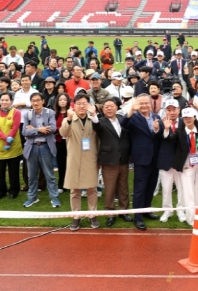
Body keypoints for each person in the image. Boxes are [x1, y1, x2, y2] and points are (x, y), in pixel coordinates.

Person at [60, 92, 101, 231]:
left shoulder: (93, 119)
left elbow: (100, 135)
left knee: (92, 189)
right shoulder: (69, 119)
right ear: (74, 105)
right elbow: (63, 133)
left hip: (90, 158)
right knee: (74, 190)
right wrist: (69, 119)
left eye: (84, 103)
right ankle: (76, 216)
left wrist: (94, 115)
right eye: (79, 104)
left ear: (89, 105)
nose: (82, 106)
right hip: (74, 158)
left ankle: (92, 214)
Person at [122, 93, 162, 231]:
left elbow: (159, 135)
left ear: (150, 104)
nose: (144, 105)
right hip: (141, 158)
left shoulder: (156, 117)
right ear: (137, 104)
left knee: (151, 187)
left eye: (146, 103)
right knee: (140, 189)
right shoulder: (133, 117)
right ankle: (138, 217)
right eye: (141, 103)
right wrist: (131, 110)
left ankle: (146, 210)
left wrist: (157, 129)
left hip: (155, 158)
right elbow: (123, 124)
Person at [93, 98, 132, 227]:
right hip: (109, 160)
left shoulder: (122, 119)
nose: (109, 108)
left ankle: (124, 211)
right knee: (110, 188)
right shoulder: (100, 121)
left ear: (116, 107)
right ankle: (110, 213)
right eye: (106, 107)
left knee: (123, 187)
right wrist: (93, 115)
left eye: (112, 106)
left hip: (123, 159)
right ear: (103, 109)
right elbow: (96, 126)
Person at [21, 92, 60, 208]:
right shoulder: (27, 115)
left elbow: (53, 128)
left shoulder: (49, 113)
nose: (36, 103)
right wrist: (39, 130)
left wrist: (33, 129)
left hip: (45, 146)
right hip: (31, 147)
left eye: (38, 100)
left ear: (43, 101)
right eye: (33, 101)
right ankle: (32, 198)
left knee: (49, 175)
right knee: (31, 176)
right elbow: (24, 132)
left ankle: (54, 198)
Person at [155, 99, 186, 223]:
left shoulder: (185, 121)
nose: (172, 112)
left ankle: (180, 210)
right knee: (166, 188)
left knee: (181, 187)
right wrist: (161, 129)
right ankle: (167, 210)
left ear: (179, 110)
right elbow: (157, 137)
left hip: (180, 161)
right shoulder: (160, 123)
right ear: (165, 111)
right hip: (165, 160)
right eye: (169, 110)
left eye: (174, 109)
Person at [0, 92, 23, 200]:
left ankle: (14, 189)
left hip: (13, 145)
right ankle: (1, 190)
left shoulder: (16, 112)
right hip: (0, 145)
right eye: (2, 100)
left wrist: (9, 142)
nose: (4, 102)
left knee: (14, 170)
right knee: (0, 170)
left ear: (11, 101)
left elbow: (15, 128)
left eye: (7, 100)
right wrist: (5, 139)